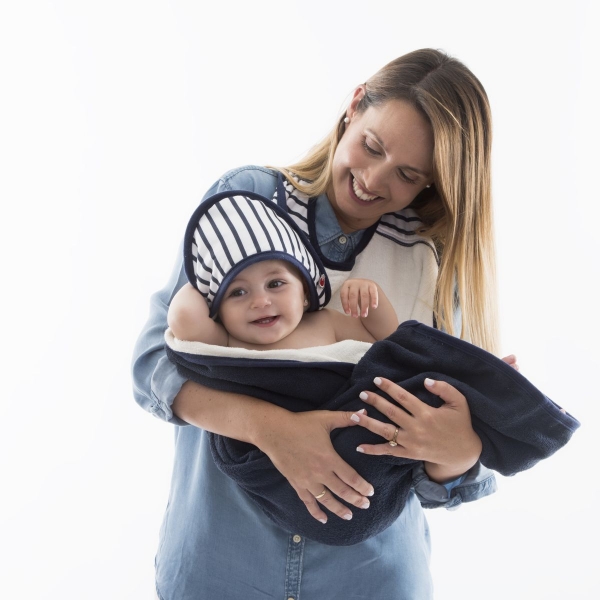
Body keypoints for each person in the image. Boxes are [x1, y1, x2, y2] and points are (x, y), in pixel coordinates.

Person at [133, 48, 511, 599]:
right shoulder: (248, 204)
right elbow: (153, 366)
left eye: (408, 175)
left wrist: (457, 455)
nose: (372, 180)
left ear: (433, 184)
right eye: (372, 146)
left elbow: (450, 484)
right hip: (222, 564)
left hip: (370, 577)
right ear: (354, 107)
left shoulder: (428, 261)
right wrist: (270, 430)